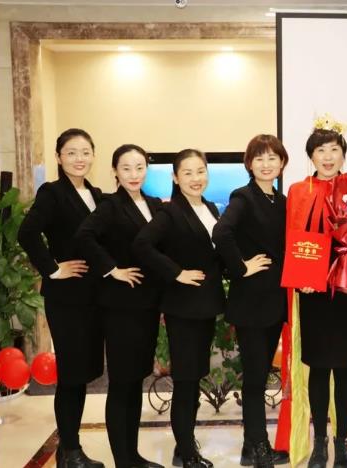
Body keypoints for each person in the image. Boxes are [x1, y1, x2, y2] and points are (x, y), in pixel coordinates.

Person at [284, 126, 347, 468]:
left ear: (343, 154)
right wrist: (302, 278)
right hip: (313, 292)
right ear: (311, 156)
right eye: (320, 150)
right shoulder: (298, 191)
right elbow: (293, 238)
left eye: (334, 149)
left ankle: (342, 443)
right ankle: (320, 443)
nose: (327, 157)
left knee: (345, 367)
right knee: (320, 368)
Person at [17, 128, 105, 468]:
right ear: (58, 157)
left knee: (80, 374)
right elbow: (27, 232)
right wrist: (52, 269)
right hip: (67, 298)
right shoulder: (52, 193)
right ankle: (69, 450)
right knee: (70, 374)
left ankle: (71, 449)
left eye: (85, 152)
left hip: (93, 297)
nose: (79, 158)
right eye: (71, 152)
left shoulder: (96, 194)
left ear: (93, 155)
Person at [133, 149, 226, 468]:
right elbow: (142, 245)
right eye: (187, 172)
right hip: (183, 309)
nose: (195, 178)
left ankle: (183, 445)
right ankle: (187, 454)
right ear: (175, 177)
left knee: (194, 378)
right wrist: (176, 273)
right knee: (186, 382)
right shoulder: (169, 212)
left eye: (200, 171)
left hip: (205, 306)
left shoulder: (209, 207)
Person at [76, 144, 164, 468]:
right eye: (126, 168)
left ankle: (133, 455)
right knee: (122, 383)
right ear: (114, 171)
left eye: (139, 167)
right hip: (120, 307)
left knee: (136, 381)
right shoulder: (110, 205)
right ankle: (123, 461)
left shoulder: (155, 204)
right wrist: (112, 269)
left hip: (148, 305)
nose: (133, 174)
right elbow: (84, 236)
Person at [211, 135, 290, 468]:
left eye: (273, 158)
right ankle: (259, 448)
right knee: (256, 379)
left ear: (282, 163)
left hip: (275, 301)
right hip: (251, 304)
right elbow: (221, 233)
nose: (266, 164)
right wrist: (241, 267)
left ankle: (249, 447)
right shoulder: (243, 196)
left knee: (261, 375)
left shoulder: (282, 200)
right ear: (249, 164)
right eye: (259, 158)